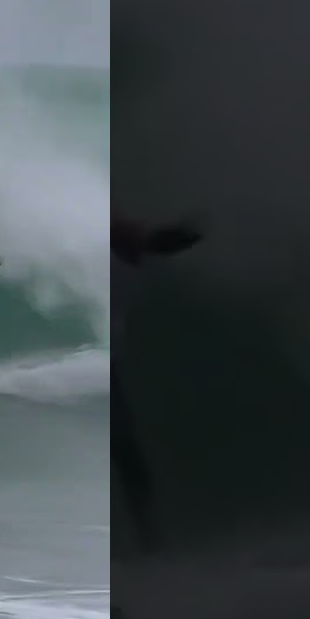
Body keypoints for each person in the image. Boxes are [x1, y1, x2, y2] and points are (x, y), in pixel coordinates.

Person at [111, 214, 203, 554]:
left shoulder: (128, 259)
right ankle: (148, 544)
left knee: (131, 465)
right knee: (129, 462)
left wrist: (191, 233)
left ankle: (146, 542)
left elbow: (158, 242)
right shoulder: (110, 262)